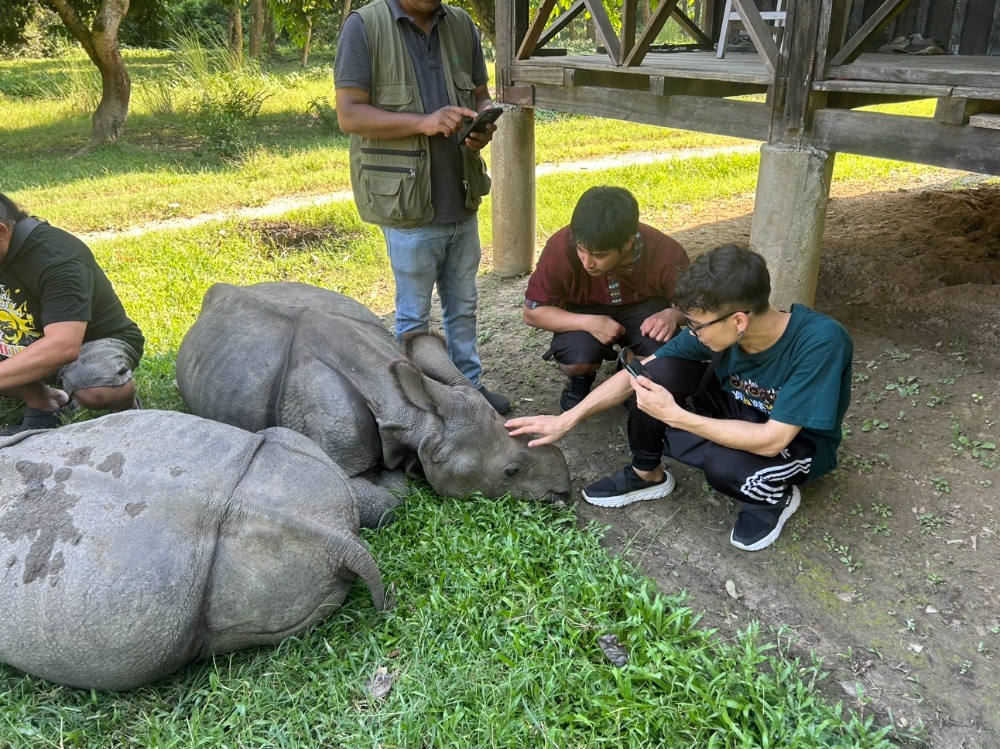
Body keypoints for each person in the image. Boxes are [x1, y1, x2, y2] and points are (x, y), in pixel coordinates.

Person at [507, 244, 853, 552]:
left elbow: (771, 440)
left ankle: (773, 497)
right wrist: (565, 419)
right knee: (653, 378)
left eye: (697, 325)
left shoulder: (819, 342)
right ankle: (646, 475)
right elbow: (637, 373)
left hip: (796, 442)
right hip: (736, 412)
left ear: (739, 320)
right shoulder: (717, 331)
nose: (693, 333)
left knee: (724, 464)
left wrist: (675, 417)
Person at [334, 0, 509, 414]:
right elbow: (349, 114)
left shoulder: (461, 24)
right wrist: (424, 122)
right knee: (414, 318)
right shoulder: (364, 25)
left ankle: (469, 389)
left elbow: (482, 95)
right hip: (408, 204)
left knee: (463, 306)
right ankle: (422, 404)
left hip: (461, 195)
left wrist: (483, 122)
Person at [523, 186, 689, 412]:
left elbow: (701, 307)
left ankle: (631, 373)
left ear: (629, 243)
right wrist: (589, 323)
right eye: (581, 250)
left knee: (662, 356)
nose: (586, 263)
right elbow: (532, 311)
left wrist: (673, 314)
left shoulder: (666, 252)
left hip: (643, 307)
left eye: (599, 256)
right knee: (577, 359)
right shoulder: (560, 246)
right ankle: (582, 378)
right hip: (582, 310)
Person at [0, 193, 144, 435]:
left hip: (89, 344)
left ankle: (127, 411)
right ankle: (45, 401)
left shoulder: (57, 258)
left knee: (96, 387)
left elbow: (63, 346)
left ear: (1, 232)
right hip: (20, 341)